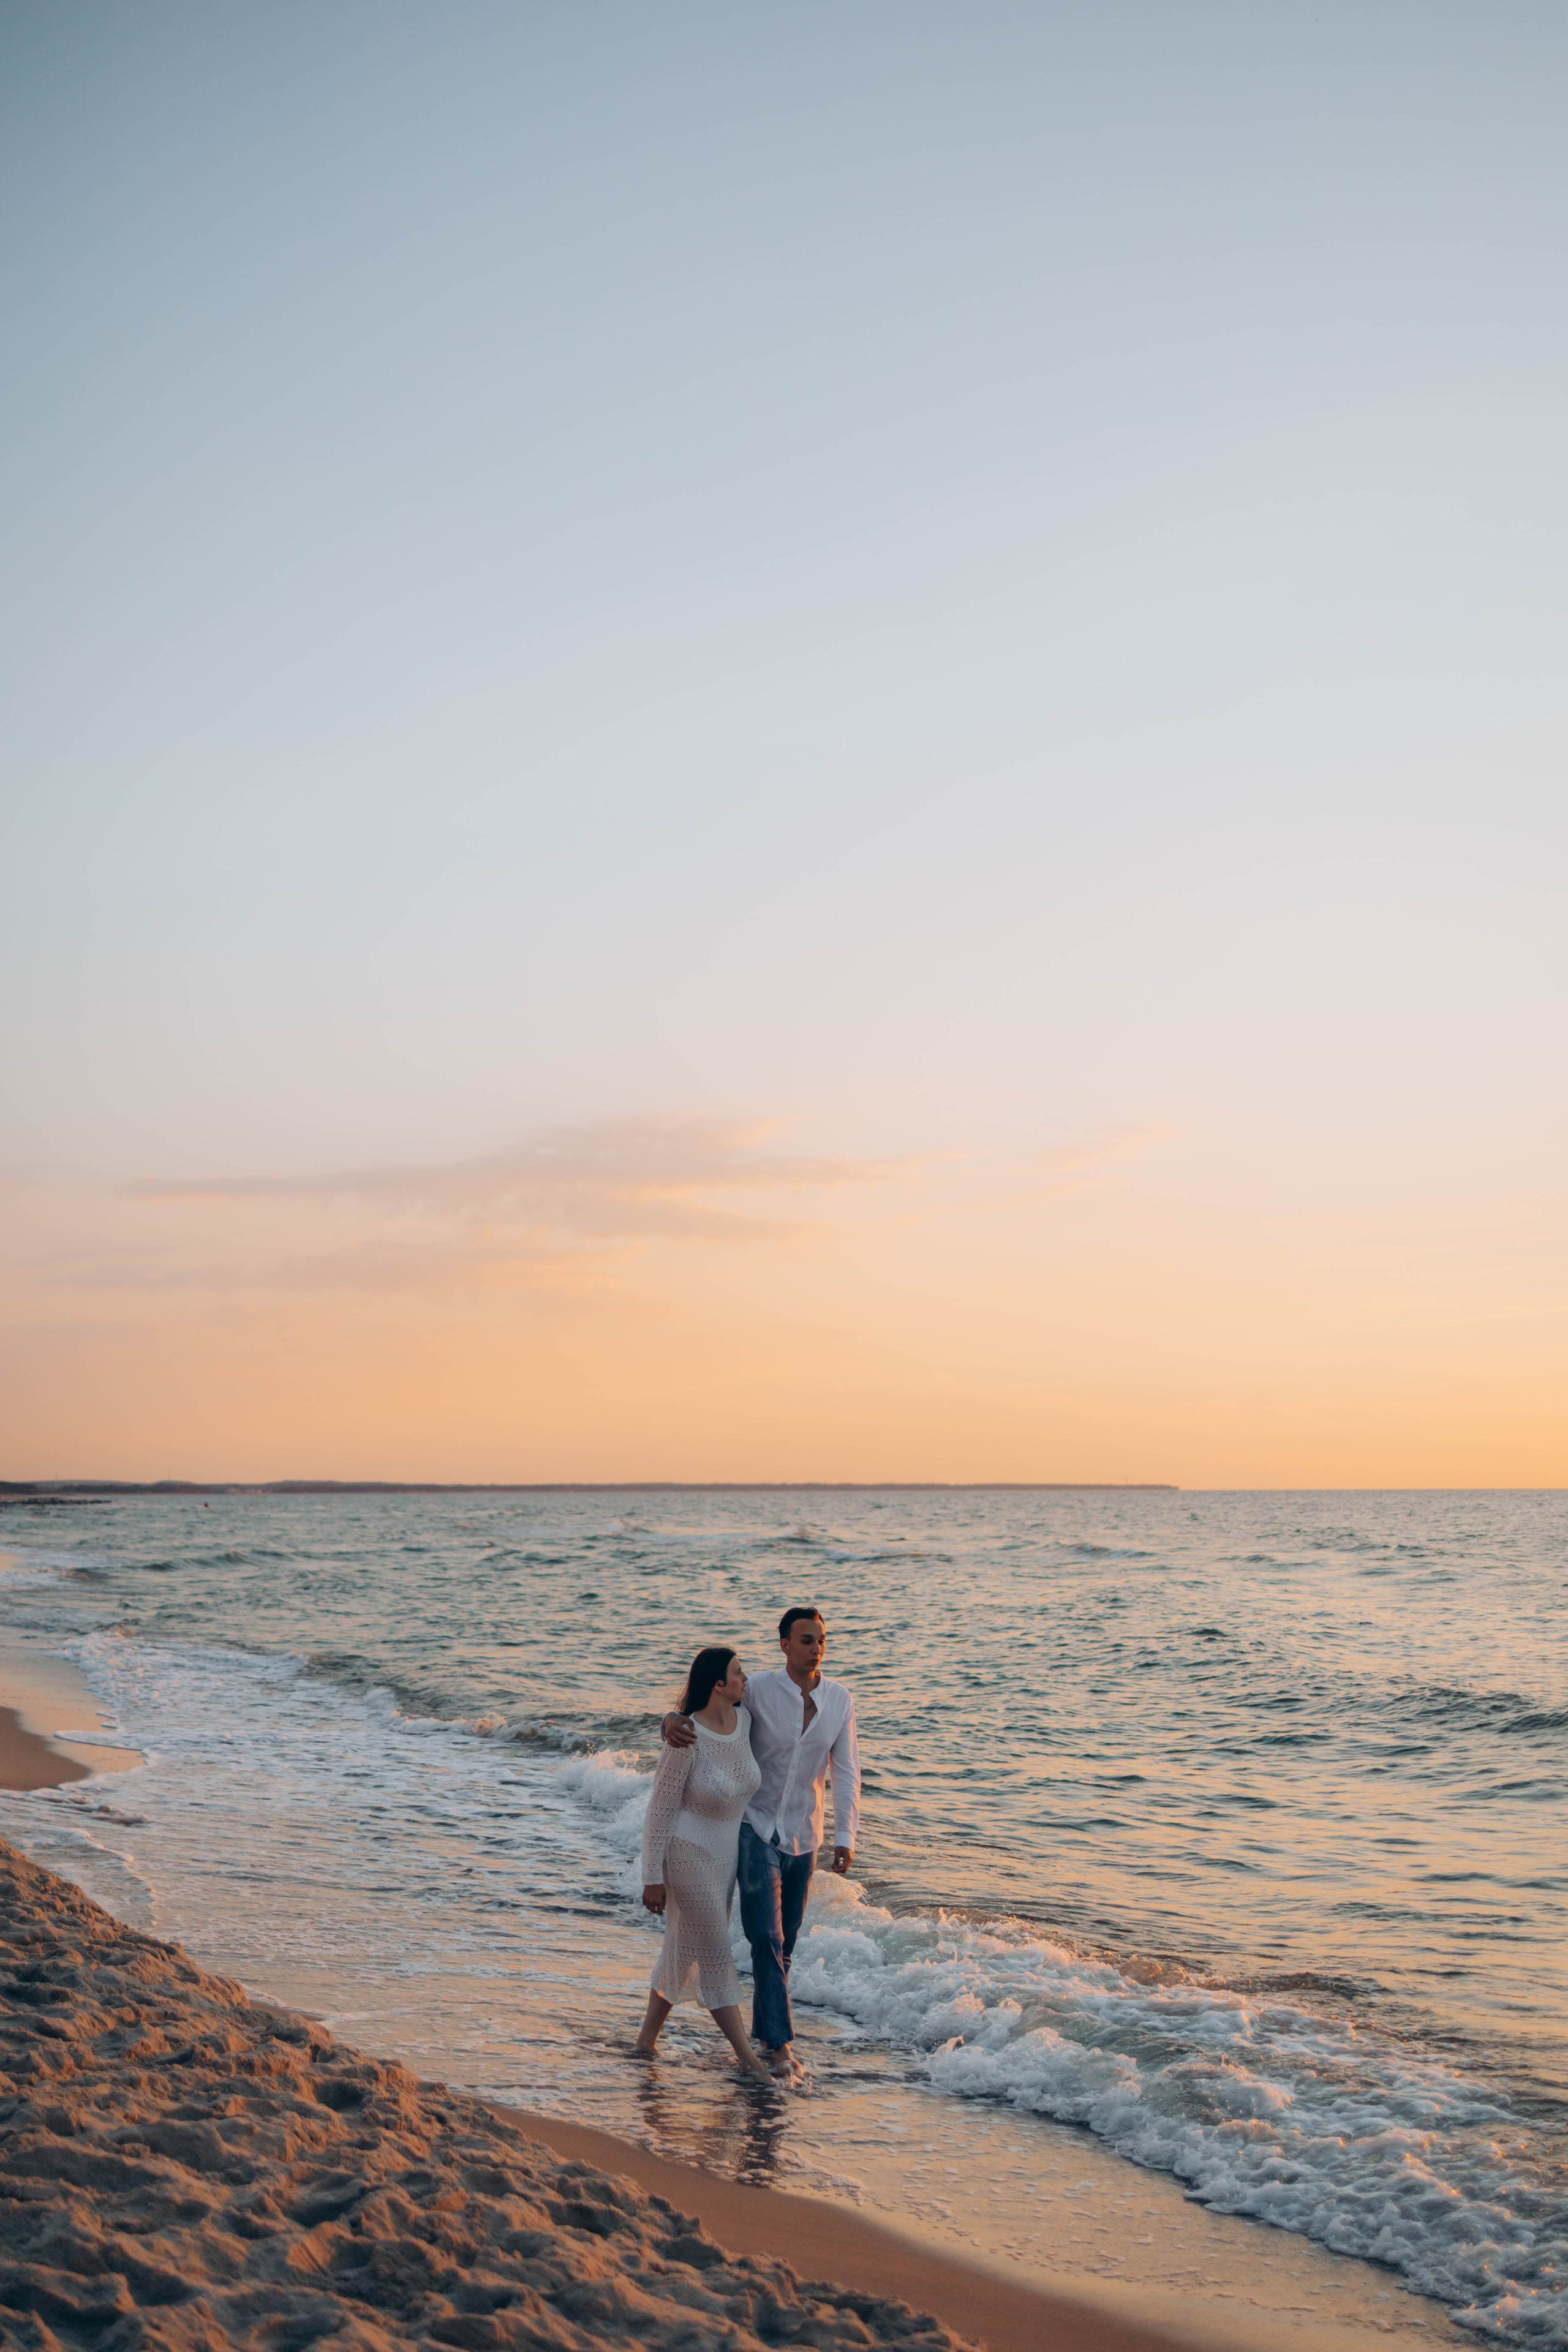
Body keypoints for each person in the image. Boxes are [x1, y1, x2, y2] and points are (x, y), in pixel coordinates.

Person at [662, 1607, 859, 2083]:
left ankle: (767, 2034)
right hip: (754, 1830)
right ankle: (780, 2047)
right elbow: (710, 1705)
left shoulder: (840, 1700)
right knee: (765, 1938)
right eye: (807, 1640)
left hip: (804, 1834)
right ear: (785, 1645)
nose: (816, 1648)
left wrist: (845, 1836)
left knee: (785, 1944)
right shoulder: (759, 1690)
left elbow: (848, 1770)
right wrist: (670, 1717)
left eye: (822, 1640)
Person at [636, 1645, 772, 2081]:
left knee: (682, 1950)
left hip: (724, 1862)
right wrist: (652, 1877)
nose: (745, 1679)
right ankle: (747, 2060)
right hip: (687, 1855)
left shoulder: (745, 1719)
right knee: (714, 1952)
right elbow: (659, 1809)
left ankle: (645, 2041)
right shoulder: (687, 1737)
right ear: (718, 1684)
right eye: (738, 1672)